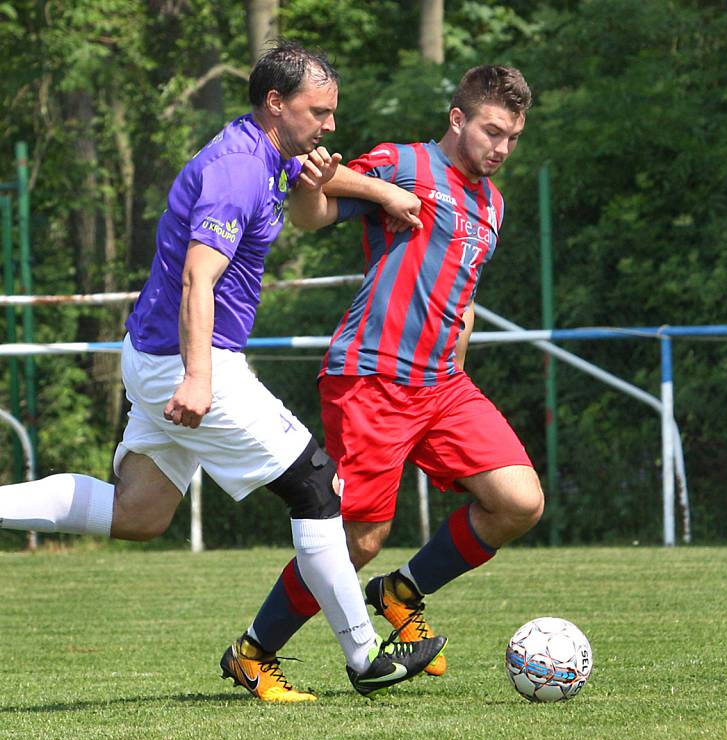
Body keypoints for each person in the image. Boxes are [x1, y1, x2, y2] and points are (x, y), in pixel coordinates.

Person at [0, 40, 445, 701]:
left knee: (139, 512)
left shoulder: (266, 153)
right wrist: (200, 377)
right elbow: (197, 277)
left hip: (156, 354)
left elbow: (315, 178)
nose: (329, 126)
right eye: (318, 112)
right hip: (188, 357)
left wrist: (380, 190)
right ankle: (365, 656)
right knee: (317, 483)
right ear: (275, 103)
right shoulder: (239, 169)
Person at [239, 64, 544, 689]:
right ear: (457, 119)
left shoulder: (493, 203)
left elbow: (462, 291)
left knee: (519, 502)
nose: (502, 148)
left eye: (513, 137)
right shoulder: (406, 163)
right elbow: (312, 207)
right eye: (492, 131)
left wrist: (460, 341)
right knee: (358, 540)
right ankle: (252, 651)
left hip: (443, 384)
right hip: (372, 378)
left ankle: (403, 593)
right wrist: (384, 193)